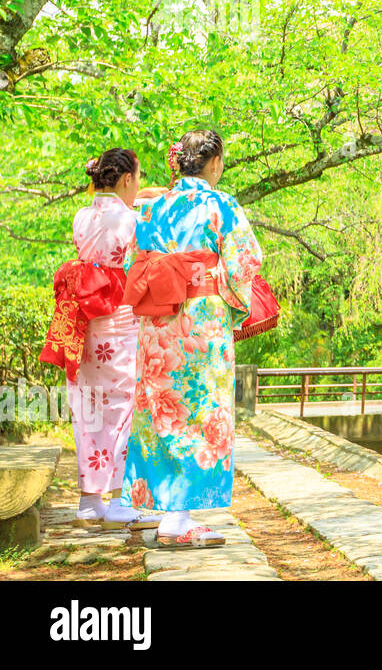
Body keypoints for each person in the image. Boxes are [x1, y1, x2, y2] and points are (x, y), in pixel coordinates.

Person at [119, 130, 262, 547]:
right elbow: (246, 260)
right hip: (200, 324)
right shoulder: (220, 204)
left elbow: (135, 260)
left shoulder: (150, 207)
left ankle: (153, 507)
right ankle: (178, 518)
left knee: (160, 414)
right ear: (214, 163)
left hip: (158, 326)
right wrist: (234, 299)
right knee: (197, 413)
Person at [40, 148, 161, 530]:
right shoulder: (132, 219)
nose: (139, 185)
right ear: (127, 179)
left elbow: (117, 213)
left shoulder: (81, 215)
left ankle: (90, 502)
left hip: (83, 322)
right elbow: (146, 255)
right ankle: (120, 499)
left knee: (88, 408)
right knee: (124, 408)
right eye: (138, 179)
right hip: (119, 321)